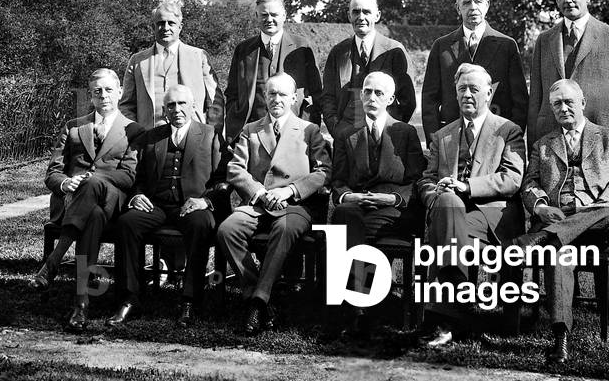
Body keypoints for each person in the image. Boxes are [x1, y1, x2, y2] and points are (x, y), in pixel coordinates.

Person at [516, 79, 609, 363]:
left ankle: (545, 236)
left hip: (603, 222)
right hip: (560, 219)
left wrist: (599, 205)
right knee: (559, 252)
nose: (564, 108)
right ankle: (561, 338)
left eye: (569, 101)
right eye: (557, 104)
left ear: (582, 103)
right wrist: (542, 207)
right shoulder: (543, 145)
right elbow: (529, 183)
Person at [416, 63, 525, 346]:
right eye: (462, 88)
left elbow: (512, 179)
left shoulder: (508, 131)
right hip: (451, 213)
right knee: (447, 203)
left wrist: (467, 186)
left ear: (488, 93)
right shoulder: (443, 135)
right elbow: (426, 180)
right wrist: (435, 192)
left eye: (474, 89)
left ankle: (443, 318)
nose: (467, 94)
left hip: (491, 215)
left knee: (446, 222)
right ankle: (454, 311)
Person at [216, 73, 332, 335]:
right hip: (259, 203)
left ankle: (257, 303)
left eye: (282, 94)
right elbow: (235, 169)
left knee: (285, 227)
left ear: (294, 98)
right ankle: (258, 292)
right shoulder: (251, 129)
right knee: (227, 230)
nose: (276, 99)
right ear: (264, 97)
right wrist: (258, 192)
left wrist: (291, 190)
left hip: (295, 206)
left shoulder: (309, 130)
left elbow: (324, 171)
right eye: (271, 94)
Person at [106, 85, 228, 328]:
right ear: (164, 110)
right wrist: (137, 195)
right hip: (157, 205)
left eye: (182, 104)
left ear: (193, 107)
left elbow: (224, 178)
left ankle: (190, 300)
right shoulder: (151, 137)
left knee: (201, 223)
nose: (177, 110)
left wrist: (206, 200)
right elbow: (135, 176)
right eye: (171, 105)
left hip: (193, 206)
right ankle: (129, 297)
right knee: (127, 223)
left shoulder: (211, 135)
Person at [32, 68, 144, 331]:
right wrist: (65, 183)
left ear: (119, 92)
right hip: (75, 203)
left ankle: (53, 263)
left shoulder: (133, 130)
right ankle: (80, 306)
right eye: (96, 92)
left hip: (113, 201)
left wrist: (94, 180)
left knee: (92, 182)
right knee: (91, 215)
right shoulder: (73, 127)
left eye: (108, 90)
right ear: (91, 97)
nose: (103, 96)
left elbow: (128, 176)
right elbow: (52, 173)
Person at [329, 71, 426, 334]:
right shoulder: (346, 134)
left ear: (391, 99)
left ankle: (357, 306)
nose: (372, 98)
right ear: (360, 95)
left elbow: (418, 178)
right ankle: (365, 305)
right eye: (367, 92)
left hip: (394, 210)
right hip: (357, 206)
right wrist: (349, 195)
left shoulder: (404, 132)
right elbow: (337, 180)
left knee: (347, 229)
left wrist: (393, 198)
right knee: (345, 215)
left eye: (379, 93)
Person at [527, 0, 609, 157]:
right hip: (551, 140)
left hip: (600, 139)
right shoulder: (544, 40)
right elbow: (535, 98)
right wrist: (533, 149)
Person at [422, 0, 528, 142]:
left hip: (495, 137)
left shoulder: (506, 45)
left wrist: (512, 139)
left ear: (487, 5)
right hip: (451, 139)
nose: (473, 7)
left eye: (478, 1)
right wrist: (434, 141)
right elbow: (429, 100)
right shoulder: (441, 46)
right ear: (458, 8)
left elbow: (519, 101)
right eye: (466, 3)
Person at [224, 0, 322, 143]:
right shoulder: (243, 50)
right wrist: (235, 124)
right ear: (256, 16)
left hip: (295, 134)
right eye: (264, 15)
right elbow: (232, 93)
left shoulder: (302, 47)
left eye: (274, 14)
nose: (269, 19)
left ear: (284, 15)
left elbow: (316, 93)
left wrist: (308, 125)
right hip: (251, 134)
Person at [320, 0, 416, 140]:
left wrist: (393, 130)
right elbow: (328, 97)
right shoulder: (338, 52)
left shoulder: (394, 51)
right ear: (349, 16)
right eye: (356, 12)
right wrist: (336, 129)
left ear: (377, 16)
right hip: (345, 138)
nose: (361, 17)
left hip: (386, 136)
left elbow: (408, 100)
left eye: (367, 12)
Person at [120, 0, 224, 131]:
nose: (166, 27)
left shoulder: (199, 56)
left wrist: (213, 135)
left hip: (193, 137)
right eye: (160, 23)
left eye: (171, 23)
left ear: (180, 27)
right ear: (153, 27)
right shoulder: (137, 61)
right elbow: (126, 105)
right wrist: (135, 134)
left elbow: (215, 102)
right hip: (149, 139)